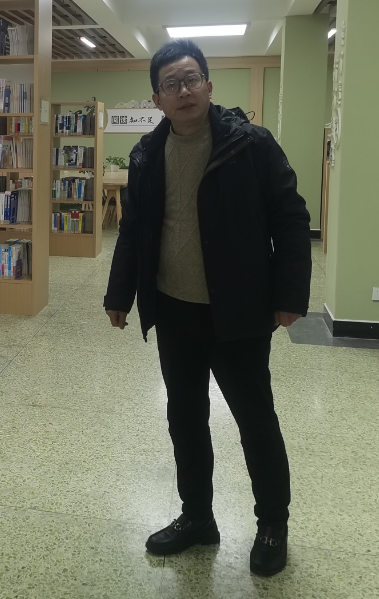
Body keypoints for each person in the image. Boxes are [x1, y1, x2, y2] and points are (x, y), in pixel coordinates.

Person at [103, 38, 311, 577]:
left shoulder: (251, 144)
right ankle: (197, 517)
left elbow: (290, 217)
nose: (184, 91)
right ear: (157, 99)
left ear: (209, 86)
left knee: (255, 421)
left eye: (191, 79)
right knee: (186, 419)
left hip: (239, 311)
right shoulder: (147, 154)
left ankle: (273, 524)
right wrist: (119, 293)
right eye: (171, 84)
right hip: (175, 310)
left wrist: (290, 295)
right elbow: (133, 229)